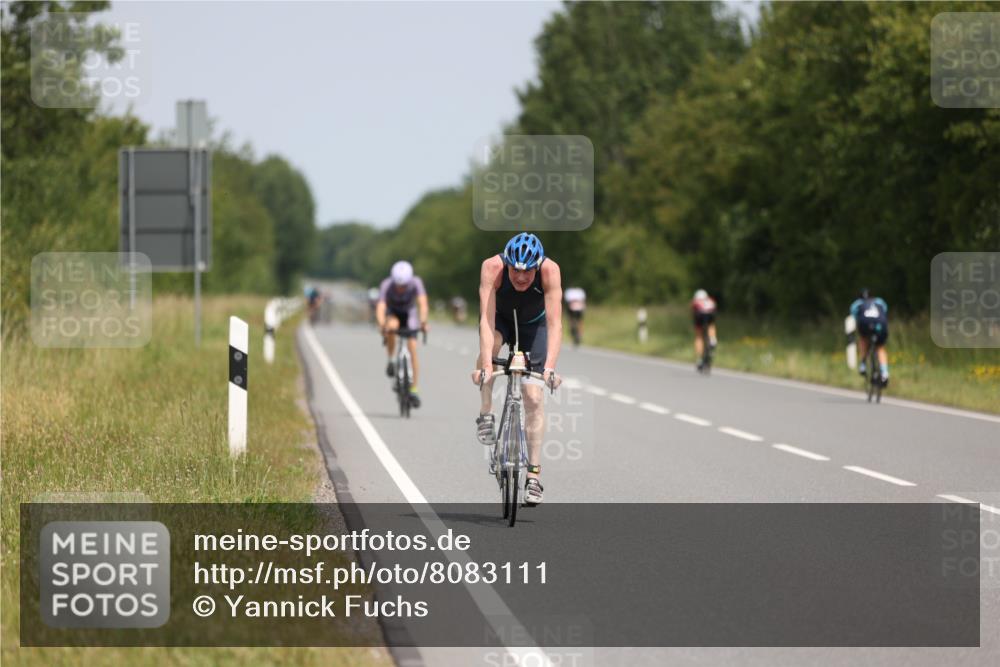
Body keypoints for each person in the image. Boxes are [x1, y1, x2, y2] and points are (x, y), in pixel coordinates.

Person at [470, 232, 562, 506]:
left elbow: (555, 324)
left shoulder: (550, 271)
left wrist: (549, 368)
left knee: (533, 396)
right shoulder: (492, 267)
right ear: (507, 264)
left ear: (537, 266)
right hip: (500, 320)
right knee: (491, 349)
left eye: (528, 272)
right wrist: (487, 365)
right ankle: (486, 412)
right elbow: (486, 321)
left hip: (535, 326)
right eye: (515, 271)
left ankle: (533, 476)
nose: (521, 277)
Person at [376, 261, 429, 407]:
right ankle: (391, 360)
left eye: (404, 286)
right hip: (393, 313)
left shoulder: (416, 282)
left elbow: (422, 303)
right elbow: (381, 306)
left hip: (409, 313)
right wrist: (382, 324)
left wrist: (423, 322)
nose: (400, 289)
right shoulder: (386, 284)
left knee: (412, 348)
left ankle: (414, 389)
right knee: (391, 327)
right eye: (398, 285)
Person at [849, 288, 889, 386]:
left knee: (863, 339)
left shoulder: (857, 304)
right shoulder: (879, 301)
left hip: (865, 324)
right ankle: (885, 373)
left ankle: (863, 364)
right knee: (880, 347)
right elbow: (884, 312)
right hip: (880, 324)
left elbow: (854, 317)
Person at [691, 289, 717, 370]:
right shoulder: (710, 300)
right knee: (711, 325)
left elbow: (693, 311)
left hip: (699, 315)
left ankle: (699, 359)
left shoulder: (695, 301)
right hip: (710, 314)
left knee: (699, 336)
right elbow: (714, 309)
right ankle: (713, 339)